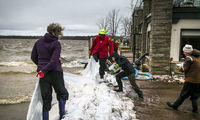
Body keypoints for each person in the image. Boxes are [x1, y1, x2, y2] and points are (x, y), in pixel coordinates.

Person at [31, 23, 69, 120]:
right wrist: (44, 69)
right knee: (62, 94)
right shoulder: (56, 43)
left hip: (43, 74)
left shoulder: (38, 42)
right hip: (55, 72)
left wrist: (41, 67)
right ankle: (62, 116)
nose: (59, 34)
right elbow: (53, 61)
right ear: (54, 32)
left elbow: (33, 57)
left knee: (46, 98)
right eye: (59, 32)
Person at [166, 44, 200, 113]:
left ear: (187, 52)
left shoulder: (189, 58)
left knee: (183, 95)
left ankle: (175, 106)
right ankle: (195, 110)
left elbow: (184, 69)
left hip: (190, 80)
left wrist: (179, 67)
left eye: (184, 52)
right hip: (198, 81)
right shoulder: (198, 58)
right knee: (194, 96)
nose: (183, 53)